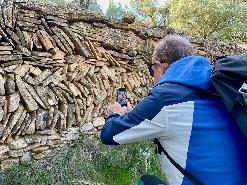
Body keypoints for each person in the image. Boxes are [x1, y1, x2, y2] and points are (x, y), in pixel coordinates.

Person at [100, 34, 247, 185]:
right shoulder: (222, 86)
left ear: (160, 67)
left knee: (145, 182)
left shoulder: (165, 98)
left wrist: (116, 114)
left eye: (152, 71)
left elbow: (109, 135)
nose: (153, 77)